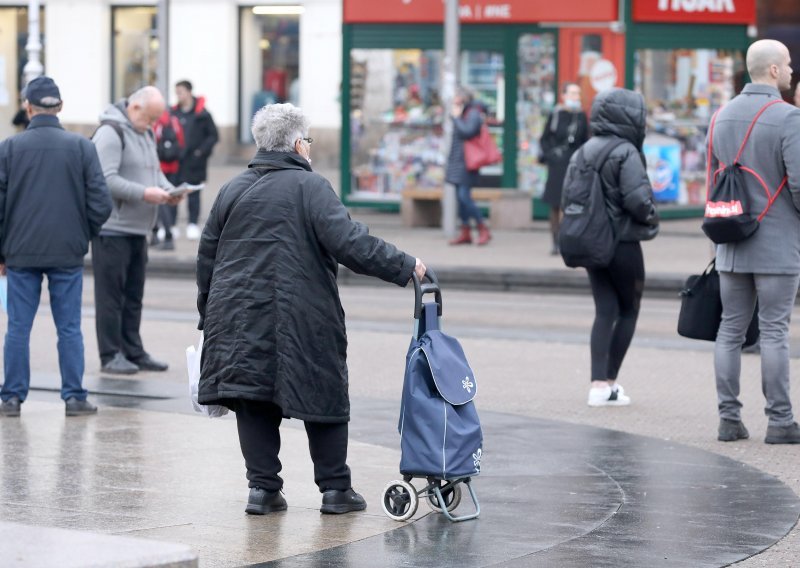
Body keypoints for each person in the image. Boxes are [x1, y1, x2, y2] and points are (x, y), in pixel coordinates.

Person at [196, 103, 426, 515]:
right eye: (310, 141)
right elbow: (351, 243)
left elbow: (207, 259)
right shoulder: (311, 187)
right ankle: (335, 490)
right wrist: (405, 265)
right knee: (323, 390)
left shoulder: (231, 189)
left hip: (235, 315)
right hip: (302, 314)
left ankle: (263, 491)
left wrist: (208, 317)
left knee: (251, 396)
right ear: (299, 144)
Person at [0, 76, 112, 417]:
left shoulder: (9, 148)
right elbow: (101, 203)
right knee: (69, 327)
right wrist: (82, 234)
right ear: (60, 107)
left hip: (20, 252)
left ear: (27, 107)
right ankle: (75, 397)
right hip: (68, 251)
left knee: (18, 326)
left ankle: (11, 397)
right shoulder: (82, 147)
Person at [711, 39, 800, 445]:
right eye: (789, 64)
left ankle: (729, 420)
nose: (793, 70)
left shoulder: (721, 116)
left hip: (730, 241)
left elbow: (715, 181)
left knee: (730, 331)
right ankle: (780, 422)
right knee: (774, 332)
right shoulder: (788, 118)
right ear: (775, 71)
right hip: (777, 243)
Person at [562, 88, 659, 408]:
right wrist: (651, 215)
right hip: (622, 242)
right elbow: (637, 200)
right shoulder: (626, 151)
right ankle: (610, 382)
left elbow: (568, 199)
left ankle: (597, 385)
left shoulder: (583, 151)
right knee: (629, 309)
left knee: (604, 310)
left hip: (592, 241)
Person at [91, 86, 182, 375]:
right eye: (150, 118)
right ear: (134, 108)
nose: (153, 125)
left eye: (157, 119)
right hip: (112, 229)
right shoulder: (110, 133)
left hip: (138, 229)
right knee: (111, 297)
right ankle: (110, 354)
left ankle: (133, 349)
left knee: (134, 295)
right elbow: (105, 180)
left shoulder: (143, 132)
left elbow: (155, 172)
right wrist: (145, 193)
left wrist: (170, 190)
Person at [539, 82, 589, 255]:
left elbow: (586, 140)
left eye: (578, 94)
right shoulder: (556, 114)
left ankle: (570, 241)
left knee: (572, 204)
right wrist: (551, 155)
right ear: (564, 95)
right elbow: (545, 138)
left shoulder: (582, 116)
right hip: (557, 165)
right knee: (555, 204)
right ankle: (555, 242)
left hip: (575, 165)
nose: (576, 97)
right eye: (573, 93)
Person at [166, 80, 218, 241]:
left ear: (189, 92)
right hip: (175, 161)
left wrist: (200, 152)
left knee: (194, 193)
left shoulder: (202, 114)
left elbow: (213, 136)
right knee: (173, 192)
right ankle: (171, 225)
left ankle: (192, 224)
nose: (178, 96)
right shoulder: (173, 113)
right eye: (176, 92)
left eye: (180, 92)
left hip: (194, 162)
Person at [446, 87, 491, 246]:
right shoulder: (465, 113)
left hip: (467, 163)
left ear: (463, 99)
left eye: (456, 97)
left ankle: (482, 227)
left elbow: (468, 131)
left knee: (465, 196)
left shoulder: (472, 113)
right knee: (460, 198)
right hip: (458, 162)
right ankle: (465, 231)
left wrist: (457, 118)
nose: (454, 100)